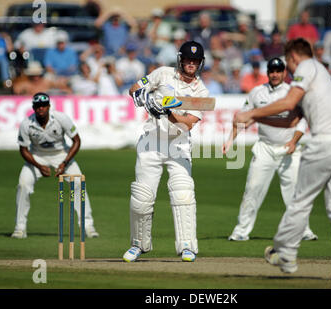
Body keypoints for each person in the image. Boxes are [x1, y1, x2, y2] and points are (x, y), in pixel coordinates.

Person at [234, 38, 331, 281]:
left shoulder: (307, 66)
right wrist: (257, 120)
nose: (289, 69)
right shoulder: (324, 77)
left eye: (288, 63)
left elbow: (288, 102)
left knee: (300, 200)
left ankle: (285, 253)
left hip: (326, 143)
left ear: (293, 56)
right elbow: (290, 120)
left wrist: (251, 112)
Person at [123, 41, 209, 263]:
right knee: (142, 197)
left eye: (196, 61)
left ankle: (188, 246)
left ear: (200, 63)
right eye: (188, 60)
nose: (191, 64)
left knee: (183, 193)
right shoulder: (162, 73)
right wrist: (142, 98)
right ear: (180, 59)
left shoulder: (201, 91)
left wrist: (168, 112)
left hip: (178, 145)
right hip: (151, 143)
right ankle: (138, 245)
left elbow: (188, 123)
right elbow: (134, 88)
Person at [224, 57, 317, 242]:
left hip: (289, 149)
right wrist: (230, 140)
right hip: (264, 148)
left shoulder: (292, 92)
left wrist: (293, 142)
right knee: (252, 189)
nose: (275, 74)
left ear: (284, 73)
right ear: (268, 73)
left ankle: (303, 230)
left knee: (295, 193)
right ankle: (241, 231)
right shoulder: (257, 92)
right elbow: (242, 117)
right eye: (272, 71)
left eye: (278, 71)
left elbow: (302, 121)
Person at [12, 92, 99, 239]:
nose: (41, 109)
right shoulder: (27, 124)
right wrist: (39, 166)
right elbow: (23, 150)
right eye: (38, 106)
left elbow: (77, 141)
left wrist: (64, 163)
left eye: (44, 106)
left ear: (49, 106)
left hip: (61, 154)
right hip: (37, 156)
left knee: (78, 183)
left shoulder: (60, 118)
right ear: (33, 108)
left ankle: (88, 226)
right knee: (23, 184)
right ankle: (20, 228)